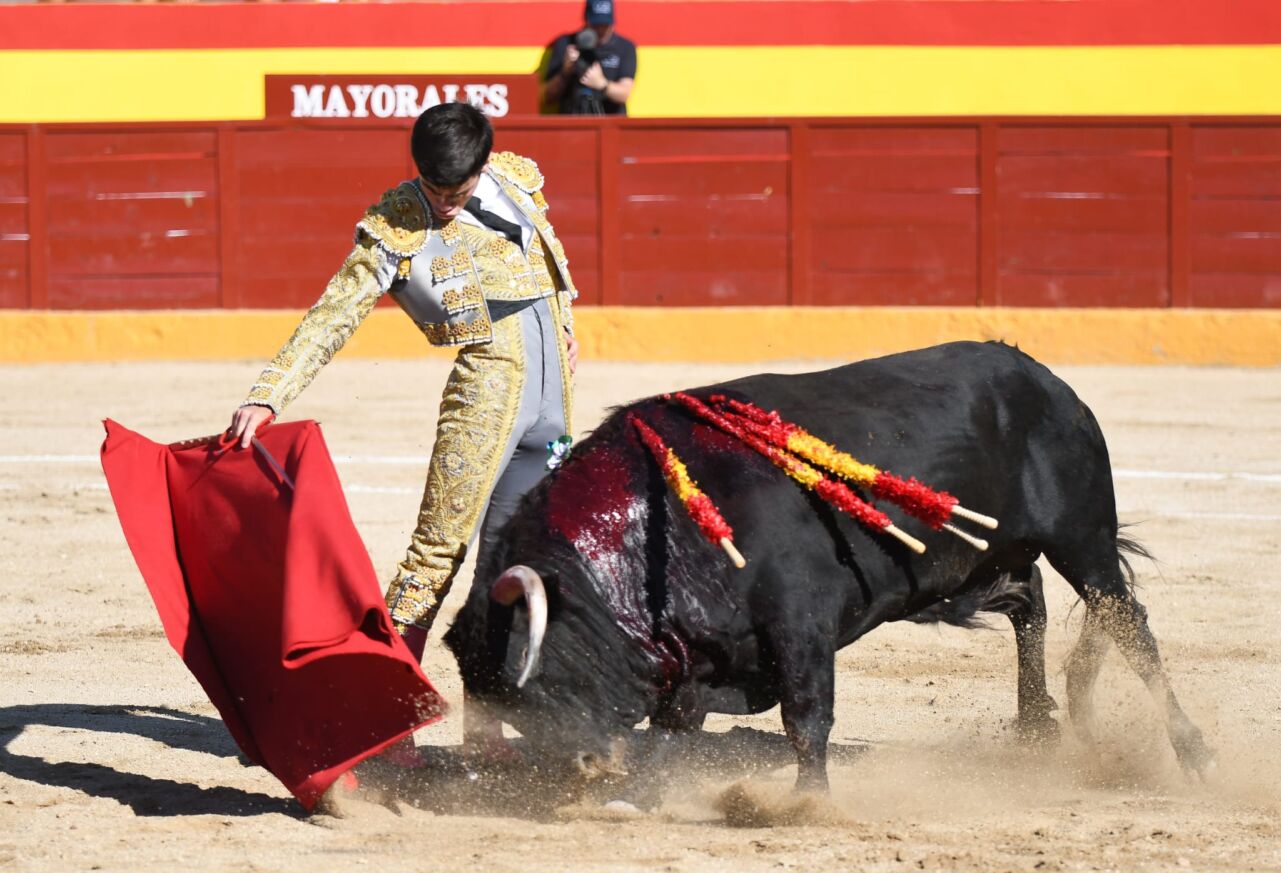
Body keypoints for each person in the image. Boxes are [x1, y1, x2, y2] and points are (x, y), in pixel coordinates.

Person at [228, 102, 579, 667]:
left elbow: (548, 262)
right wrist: (269, 393)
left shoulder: (516, 180)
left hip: (555, 401)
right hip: (488, 395)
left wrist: (564, 327)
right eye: (433, 188)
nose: (442, 203)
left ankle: (494, 708)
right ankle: (381, 695)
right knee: (436, 552)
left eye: (456, 192)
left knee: (524, 554)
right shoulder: (398, 223)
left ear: (483, 166)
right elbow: (334, 314)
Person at [543, 0, 637, 115]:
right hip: (572, 120)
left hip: (609, 122)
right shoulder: (566, 43)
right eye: (596, 25)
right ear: (586, 21)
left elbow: (624, 94)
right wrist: (565, 71)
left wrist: (601, 84)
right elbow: (547, 97)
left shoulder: (625, 47)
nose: (600, 30)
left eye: (605, 25)